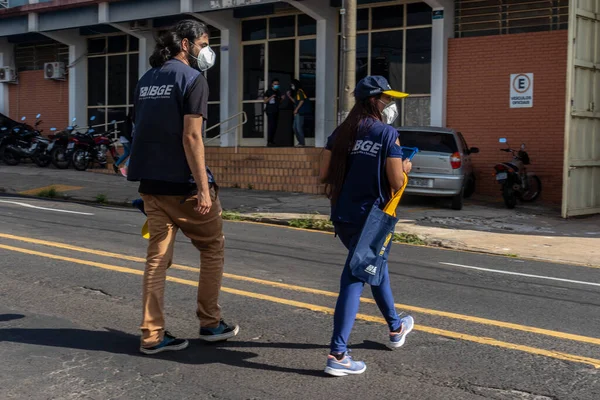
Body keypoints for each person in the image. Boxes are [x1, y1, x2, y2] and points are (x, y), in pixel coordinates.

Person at [127, 19, 239, 355]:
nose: (207, 51)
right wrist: (203, 188)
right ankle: (210, 322)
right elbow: (192, 137)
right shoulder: (193, 79)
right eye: (204, 44)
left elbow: (139, 128)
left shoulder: (147, 80)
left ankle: (151, 335)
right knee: (212, 248)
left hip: (151, 185)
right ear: (186, 45)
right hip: (184, 186)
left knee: (157, 261)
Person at [319, 76, 414, 376]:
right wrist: (406, 165)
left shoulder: (341, 133)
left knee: (374, 268)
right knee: (355, 277)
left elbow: (323, 173)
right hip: (372, 219)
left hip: (343, 215)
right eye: (387, 99)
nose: (390, 105)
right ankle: (338, 354)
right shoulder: (387, 134)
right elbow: (396, 180)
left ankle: (396, 328)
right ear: (374, 100)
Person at [264, 78, 283, 146]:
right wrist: (271, 97)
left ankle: (272, 140)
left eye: (277, 84)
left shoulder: (278, 92)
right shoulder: (268, 91)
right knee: (271, 125)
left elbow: (279, 102)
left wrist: (282, 99)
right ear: (272, 84)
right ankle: (269, 141)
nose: (276, 85)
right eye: (275, 84)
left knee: (275, 126)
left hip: (276, 110)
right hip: (270, 110)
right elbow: (265, 101)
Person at [289, 79, 308, 147]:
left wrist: (296, 109)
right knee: (294, 127)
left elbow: (302, 101)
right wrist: (289, 96)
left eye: (292, 85)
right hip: (297, 112)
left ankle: (302, 143)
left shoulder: (300, 91)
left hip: (300, 112)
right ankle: (300, 142)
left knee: (298, 127)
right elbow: (296, 101)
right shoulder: (297, 92)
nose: (292, 86)